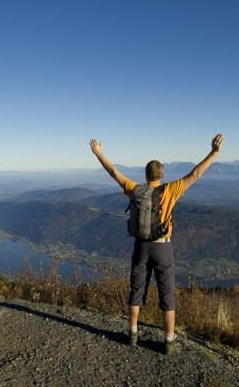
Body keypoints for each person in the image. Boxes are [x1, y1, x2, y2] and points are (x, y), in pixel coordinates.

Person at [89, 134, 224, 354]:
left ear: (145, 175)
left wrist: (99, 153)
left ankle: (132, 334)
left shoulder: (134, 189)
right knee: (167, 293)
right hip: (163, 248)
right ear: (161, 175)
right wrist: (214, 152)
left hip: (140, 246)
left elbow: (114, 173)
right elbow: (196, 173)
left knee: (136, 290)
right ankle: (169, 341)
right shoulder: (171, 189)